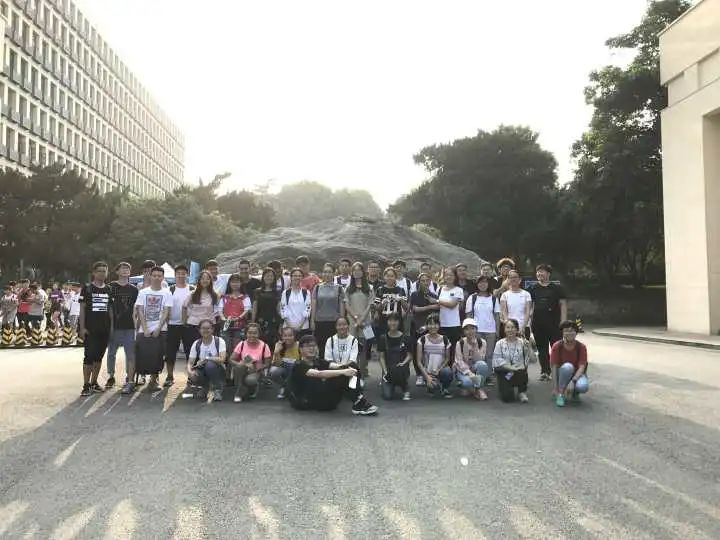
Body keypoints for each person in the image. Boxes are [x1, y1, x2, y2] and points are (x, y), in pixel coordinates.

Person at [287, 334, 378, 415]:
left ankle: (357, 398)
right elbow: (319, 374)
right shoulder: (299, 365)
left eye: (314, 345)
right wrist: (343, 372)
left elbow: (335, 366)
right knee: (341, 374)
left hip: (326, 400)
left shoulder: (318, 361)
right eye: (308, 346)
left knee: (352, 366)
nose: (311, 348)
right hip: (308, 401)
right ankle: (358, 400)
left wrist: (347, 368)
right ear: (300, 349)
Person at [132, 266, 173, 393]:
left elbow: (166, 311)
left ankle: (154, 380)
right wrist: (144, 328)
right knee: (142, 354)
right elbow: (140, 310)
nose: (156, 278)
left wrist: (158, 328)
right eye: (154, 275)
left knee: (158, 356)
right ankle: (138, 378)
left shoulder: (167, 292)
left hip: (161, 329)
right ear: (150, 276)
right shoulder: (143, 292)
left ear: (163, 277)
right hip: (143, 329)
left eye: (159, 276)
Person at [529, 264, 568, 382]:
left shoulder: (557, 288)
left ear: (548, 274)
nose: (539, 274)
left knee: (557, 348)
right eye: (538, 272)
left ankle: (558, 371)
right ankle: (545, 372)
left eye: (542, 271)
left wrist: (563, 322)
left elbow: (563, 305)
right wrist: (529, 323)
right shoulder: (532, 288)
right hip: (538, 323)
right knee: (542, 349)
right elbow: (530, 306)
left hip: (554, 323)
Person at [78, 262, 112, 396]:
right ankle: (86, 385)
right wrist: (82, 328)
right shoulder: (87, 289)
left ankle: (94, 382)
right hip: (90, 329)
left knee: (99, 357)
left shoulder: (108, 289)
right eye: (99, 271)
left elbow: (110, 310)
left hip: (104, 329)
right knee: (89, 357)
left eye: (104, 271)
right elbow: (82, 309)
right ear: (94, 273)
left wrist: (112, 328)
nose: (102, 273)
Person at [107, 262, 138, 389]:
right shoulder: (111, 287)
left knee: (130, 354)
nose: (125, 270)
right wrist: (110, 325)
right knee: (111, 353)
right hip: (114, 325)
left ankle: (129, 377)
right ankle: (111, 375)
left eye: (127, 269)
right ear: (117, 271)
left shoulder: (134, 289)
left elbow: (136, 308)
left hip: (129, 326)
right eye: (123, 268)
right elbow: (108, 306)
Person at [465, 275, 500, 383]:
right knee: (476, 354)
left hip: (490, 331)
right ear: (477, 284)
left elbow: (497, 315)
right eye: (480, 282)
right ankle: (477, 375)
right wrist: (469, 331)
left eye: (485, 282)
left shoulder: (493, 298)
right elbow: (469, 315)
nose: (483, 284)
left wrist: (497, 330)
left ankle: (487, 376)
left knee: (489, 355)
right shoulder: (472, 298)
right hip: (476, 331)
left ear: (488, 284)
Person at [164, 264, 194, 387]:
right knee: (170, 352)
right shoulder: (170, 289)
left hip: (188, 324)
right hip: (172, 325)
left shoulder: (192, 289)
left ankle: (191, 376)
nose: (181, 276)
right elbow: (165, 307)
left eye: (183, 273)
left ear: (187, 275)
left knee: (190, 352)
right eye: (178, 273)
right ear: (175, 275)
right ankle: (169, 376)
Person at [343, 262, 375, 377]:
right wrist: (356, 318)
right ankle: (353, 370)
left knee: (365, 346)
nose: (357, 272)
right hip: (352, 321)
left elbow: (370, 305)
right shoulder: (348, 288)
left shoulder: (370, 288)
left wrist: (361, 320)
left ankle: (363, 370)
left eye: (359, 270)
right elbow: (347, 305)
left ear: (363, 272)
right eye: (354, 270)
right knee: (352, 346)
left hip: (366, 321)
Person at [493, 319, 535, 403]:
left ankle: (522, 392)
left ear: (517, 329)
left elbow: (533, 360)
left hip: (518, 372)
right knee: (507, 398)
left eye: (513, 327)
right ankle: (506, 387)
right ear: (504, 330)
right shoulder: (499, 343)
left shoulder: (522, 342)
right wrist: (511, 367)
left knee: (521, 371)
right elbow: (496, 362)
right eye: (508, 327)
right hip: (505, 372)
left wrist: (529, 347)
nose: (510, 330)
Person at [409, 272, 440, 386]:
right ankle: (419, 375)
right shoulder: (414, 295)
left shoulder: (434, 296)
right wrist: (431, 306)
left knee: (429, 352)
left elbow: (437, 310)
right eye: (423, 280)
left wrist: (427, 326)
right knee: (417, 351)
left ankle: (429, 374)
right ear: (419, 282)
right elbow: (415, 309)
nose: (425, 283)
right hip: (417, 327)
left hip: (430, 328)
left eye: (427, 280)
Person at [228, 323, 272, 403]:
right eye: (250, 333)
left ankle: (252, 388)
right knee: (239, 367)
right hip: (242, 369)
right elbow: (231, 359)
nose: (252, 335)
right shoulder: (241, 344)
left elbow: (267, 364)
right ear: (246, 333)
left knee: (250, 380)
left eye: (255, 333)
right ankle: (238, 393)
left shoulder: (264, 346)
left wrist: (258, 367)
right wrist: (241, 364)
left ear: (259, 334)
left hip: (256, 371)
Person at [186, 318, 227, 402]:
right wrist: (190, 372)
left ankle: (217, 390)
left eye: (208, 328)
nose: (205, 330)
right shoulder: (197, 343)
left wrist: (207, 358)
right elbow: (190, 362)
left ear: (212, 329)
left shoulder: (219, 341)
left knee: (210, 365)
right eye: (203, 328)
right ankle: (205, 387)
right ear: (199, 330)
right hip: (203, 369)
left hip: (218, 370)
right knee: (195, 374)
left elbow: (222, 359)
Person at [551, 320, 589, 407]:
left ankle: (574, 393)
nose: (569, 333)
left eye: (572, 330)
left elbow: (582, 367)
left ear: (576, 332)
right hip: (562, 373)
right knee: (568, 367)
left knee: (583, 386)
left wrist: (573, 381)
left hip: (576, 374)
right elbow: (554, 367)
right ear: (562, 333)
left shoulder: (581, 347)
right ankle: (561, 394)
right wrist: (555, 388)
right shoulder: (557, 346)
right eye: (566, 331)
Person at [182, 270, 221, 352]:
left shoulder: (215, 295)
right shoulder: (193, 294)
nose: (205, 280)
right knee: (192, 350)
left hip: (209, 326)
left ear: (210, 281)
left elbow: (219, 310)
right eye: (202, 278)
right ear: (199, 280)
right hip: (193, 325)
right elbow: (184, 306)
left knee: (208, 351)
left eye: (207, 278)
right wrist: (184, 321)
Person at [416, 315, 454, 398]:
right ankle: (430, 384)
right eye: (430, 324)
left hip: (440, 370)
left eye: (435, 324)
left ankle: (444, 388)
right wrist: (427, 376)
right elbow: (418, 362)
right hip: (428, 371)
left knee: (448, 372)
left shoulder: (445, 339)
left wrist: (439, 369)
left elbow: (447, 358)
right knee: (433, 387)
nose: (433, 326)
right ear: (426, 325)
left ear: (439, 325)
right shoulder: (422, 340)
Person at [311, 263, 345, 357]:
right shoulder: (317, 287)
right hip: (319, 322)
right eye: (325, 272)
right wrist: (312, 321)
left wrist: (342, 323)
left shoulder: (339, 288)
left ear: (334, 273)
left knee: (334, 349)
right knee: (321, 349)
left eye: (329, 272)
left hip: (334, 323)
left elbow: (341, 306)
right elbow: (314, 306)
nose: (327, 274)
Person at [377, 312, 412, 400]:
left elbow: (409, 356)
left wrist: (403, 363)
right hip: (388, 370)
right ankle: (391, 385)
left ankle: (405, 387)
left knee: (398, 369)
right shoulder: (383, 338)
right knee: (387, 396)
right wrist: (385, 371)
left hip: (401, 369)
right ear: (387, 322)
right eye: (390, 320)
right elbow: (381, 357)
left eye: (395, 320)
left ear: (399, 322)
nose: (392, 323)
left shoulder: (405, 337)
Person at [455, 319, 489, 400]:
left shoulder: (482, 342)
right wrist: (469, 373)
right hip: (463, 371)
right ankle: (467, 387)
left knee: (483, 365)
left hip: (475, 368)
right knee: (467, 382)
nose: (470, 331)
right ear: (463, 331)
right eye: (467, 329)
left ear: (476, 329)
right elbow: (459, 361)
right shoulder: (460, 343)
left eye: (472, 328)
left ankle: (478, 389)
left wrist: (475, 347)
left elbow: (480, 359)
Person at [221, 273, 253, 356]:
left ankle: (236, 362)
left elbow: (247, 310)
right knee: (226, 345)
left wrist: (238, 318)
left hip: (240, 325)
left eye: (237, 282)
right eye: (233, 282)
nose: (235, 284)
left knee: (238, 346)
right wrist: (223, 318)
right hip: (226, 325)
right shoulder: (225, 297)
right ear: (229, 283)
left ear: (241, 283)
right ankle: (227, 361)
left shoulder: (245, 297)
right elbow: (220, 310)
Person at [436, 267, 465, 356]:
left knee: (453, 350)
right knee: (442, 350)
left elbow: (452, 305)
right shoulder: (439, 289)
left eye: (451, 275)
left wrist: (437, 301)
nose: (449, 277)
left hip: (454, 325)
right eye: (446, 275)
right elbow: (437, 306)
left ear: (455, 277)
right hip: (441, 324)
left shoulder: (458, 290)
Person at [252, 267, 282, 349]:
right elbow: (254, 308)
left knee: (272, 343)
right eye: (267, 275)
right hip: (260, 321)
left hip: (274, 321)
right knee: (260, 343)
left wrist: (281, 324)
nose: (269, 278)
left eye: (271, 276)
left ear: (274, 278)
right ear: (263, 277)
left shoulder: (278, 291)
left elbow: (279, 309)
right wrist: (252, 322)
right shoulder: (257, 291)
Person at [374, 267, 408, 336]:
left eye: (392, 276)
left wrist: (401, 299)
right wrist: (382, 303)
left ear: (395, 277)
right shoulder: (380, 290)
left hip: (397, 321)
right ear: (384, 277)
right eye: (388, 276)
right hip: (383, 321)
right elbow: (376, 308)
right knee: (383, 340)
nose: (390, 278)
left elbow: (406, 308)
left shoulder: (400, 290)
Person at [269, 326, 301, 399]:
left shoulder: (299, 345)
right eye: (285, 336)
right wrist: (277, 352)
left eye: (290, 335)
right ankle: (285, 386)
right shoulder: (279, 345)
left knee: (293, 366)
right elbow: (277, 364)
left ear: (294, 336)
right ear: (282, 337)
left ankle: (292, 388)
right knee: (273, 371)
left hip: (296, 369)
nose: (288, 338)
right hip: (284, 368)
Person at [500, 270, 532, 339]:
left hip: (524, 327)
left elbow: (528, 312)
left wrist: (523, 327)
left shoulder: (526, 294)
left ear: (520, 279)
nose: (513, 279)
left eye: (515, 277)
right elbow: (504, 312)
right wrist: (509, 327)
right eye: (510, 277)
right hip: (510, 329)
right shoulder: (504, 295)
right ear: (508, 280)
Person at [280, 268, 312, 337]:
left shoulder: (306, 292)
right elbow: (283, 309)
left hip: (303, 327)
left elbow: (307, 309)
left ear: (302, 278)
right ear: (291, 277)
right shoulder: (285, 293)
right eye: (295, 276)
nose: (297, 278)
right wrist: (290, 326)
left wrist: (300, 326)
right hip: (288, 328)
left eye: (299, 276)